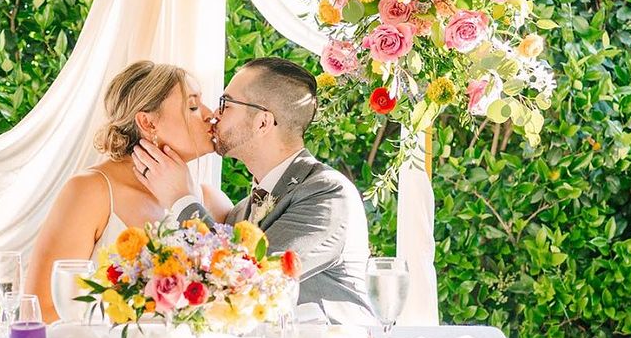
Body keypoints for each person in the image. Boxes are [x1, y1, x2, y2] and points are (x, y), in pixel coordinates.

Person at [132, 57, 374, 324]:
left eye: (226, 104)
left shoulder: (328, 194)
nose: (214, 114)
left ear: (262, 122)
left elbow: (247, 279)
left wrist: (181, 200)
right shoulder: (239, 213)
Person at [26, 61, 232, 321]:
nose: (210, 114)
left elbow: (235, 298)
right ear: (148, 123)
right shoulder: (91, 192)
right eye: (192, 106)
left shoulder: (210, 202)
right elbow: (40, 310)